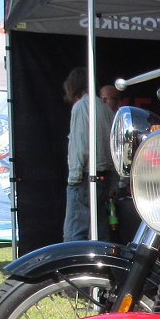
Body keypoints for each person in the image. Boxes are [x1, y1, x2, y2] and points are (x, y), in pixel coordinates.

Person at [62, 66, 116, 242]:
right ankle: (102, 268)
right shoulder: (106, 109)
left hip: (85, 177)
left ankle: (73, 268)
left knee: (74, 234)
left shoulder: (81, 107)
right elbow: (113, 148)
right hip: (103, 179)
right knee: (100, 233)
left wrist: (74, 179)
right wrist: (113, 183)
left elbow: (79, 145)